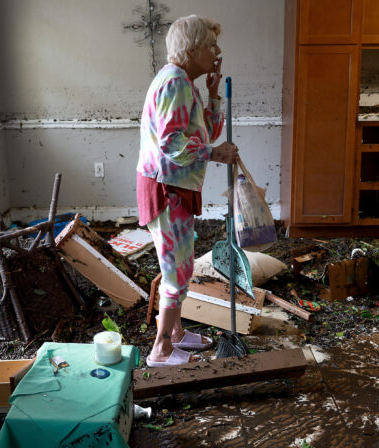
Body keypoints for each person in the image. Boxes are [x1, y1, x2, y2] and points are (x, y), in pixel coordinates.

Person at [136, 15, 238, 367]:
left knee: (180, 268)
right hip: (167, 190)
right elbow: (171, 143)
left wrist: (214, 97)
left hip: (175, 187)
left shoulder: (184, 82)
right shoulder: (174, 83)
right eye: (211, 44)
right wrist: (214, 153)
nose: (217, 51)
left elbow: (203, 133)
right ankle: (161, 351)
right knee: (177, 273)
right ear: (192, 49)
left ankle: (176, 335)